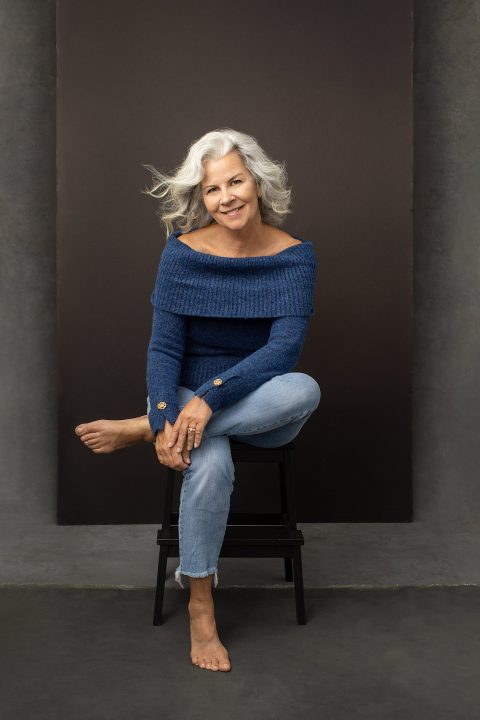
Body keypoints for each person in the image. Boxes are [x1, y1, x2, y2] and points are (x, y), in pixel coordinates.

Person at [74, 128, 321, 672]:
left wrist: (202, 404)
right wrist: (169, 408)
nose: (226, 197)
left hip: (260, 402)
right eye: (213, 189)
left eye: (235, 181)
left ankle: (139, 427)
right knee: (207, 466)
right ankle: (202, 607)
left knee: (306, 388)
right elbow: (164, 346)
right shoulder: (182, 255)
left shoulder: (295, 257)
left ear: (257, 182)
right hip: (181, 394)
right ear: (200, 197)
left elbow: (282, 352)